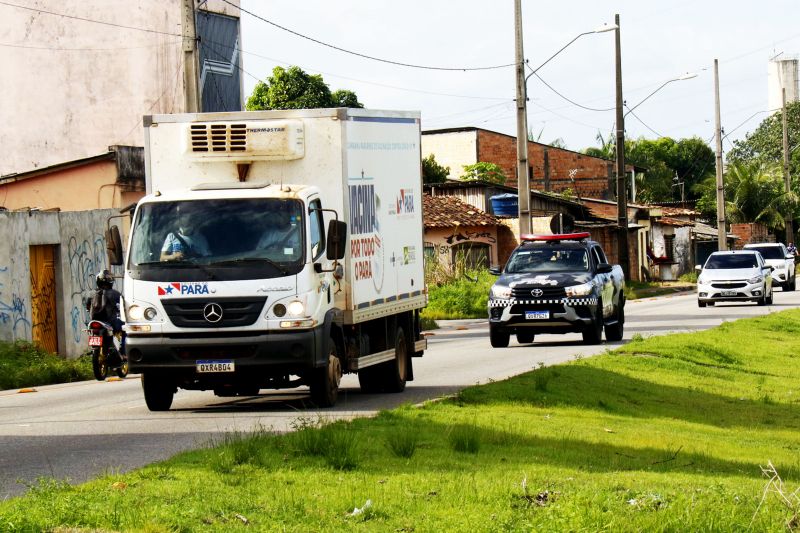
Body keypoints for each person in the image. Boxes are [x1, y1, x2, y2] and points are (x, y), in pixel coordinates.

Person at [86, 270, 125, 361]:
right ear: (110, 281)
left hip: (94, 321)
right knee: (125, 329)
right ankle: (123, 352)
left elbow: (87, 307)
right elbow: (123, 307)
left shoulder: (92, 294)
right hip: (110, 321)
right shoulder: (115, 294)